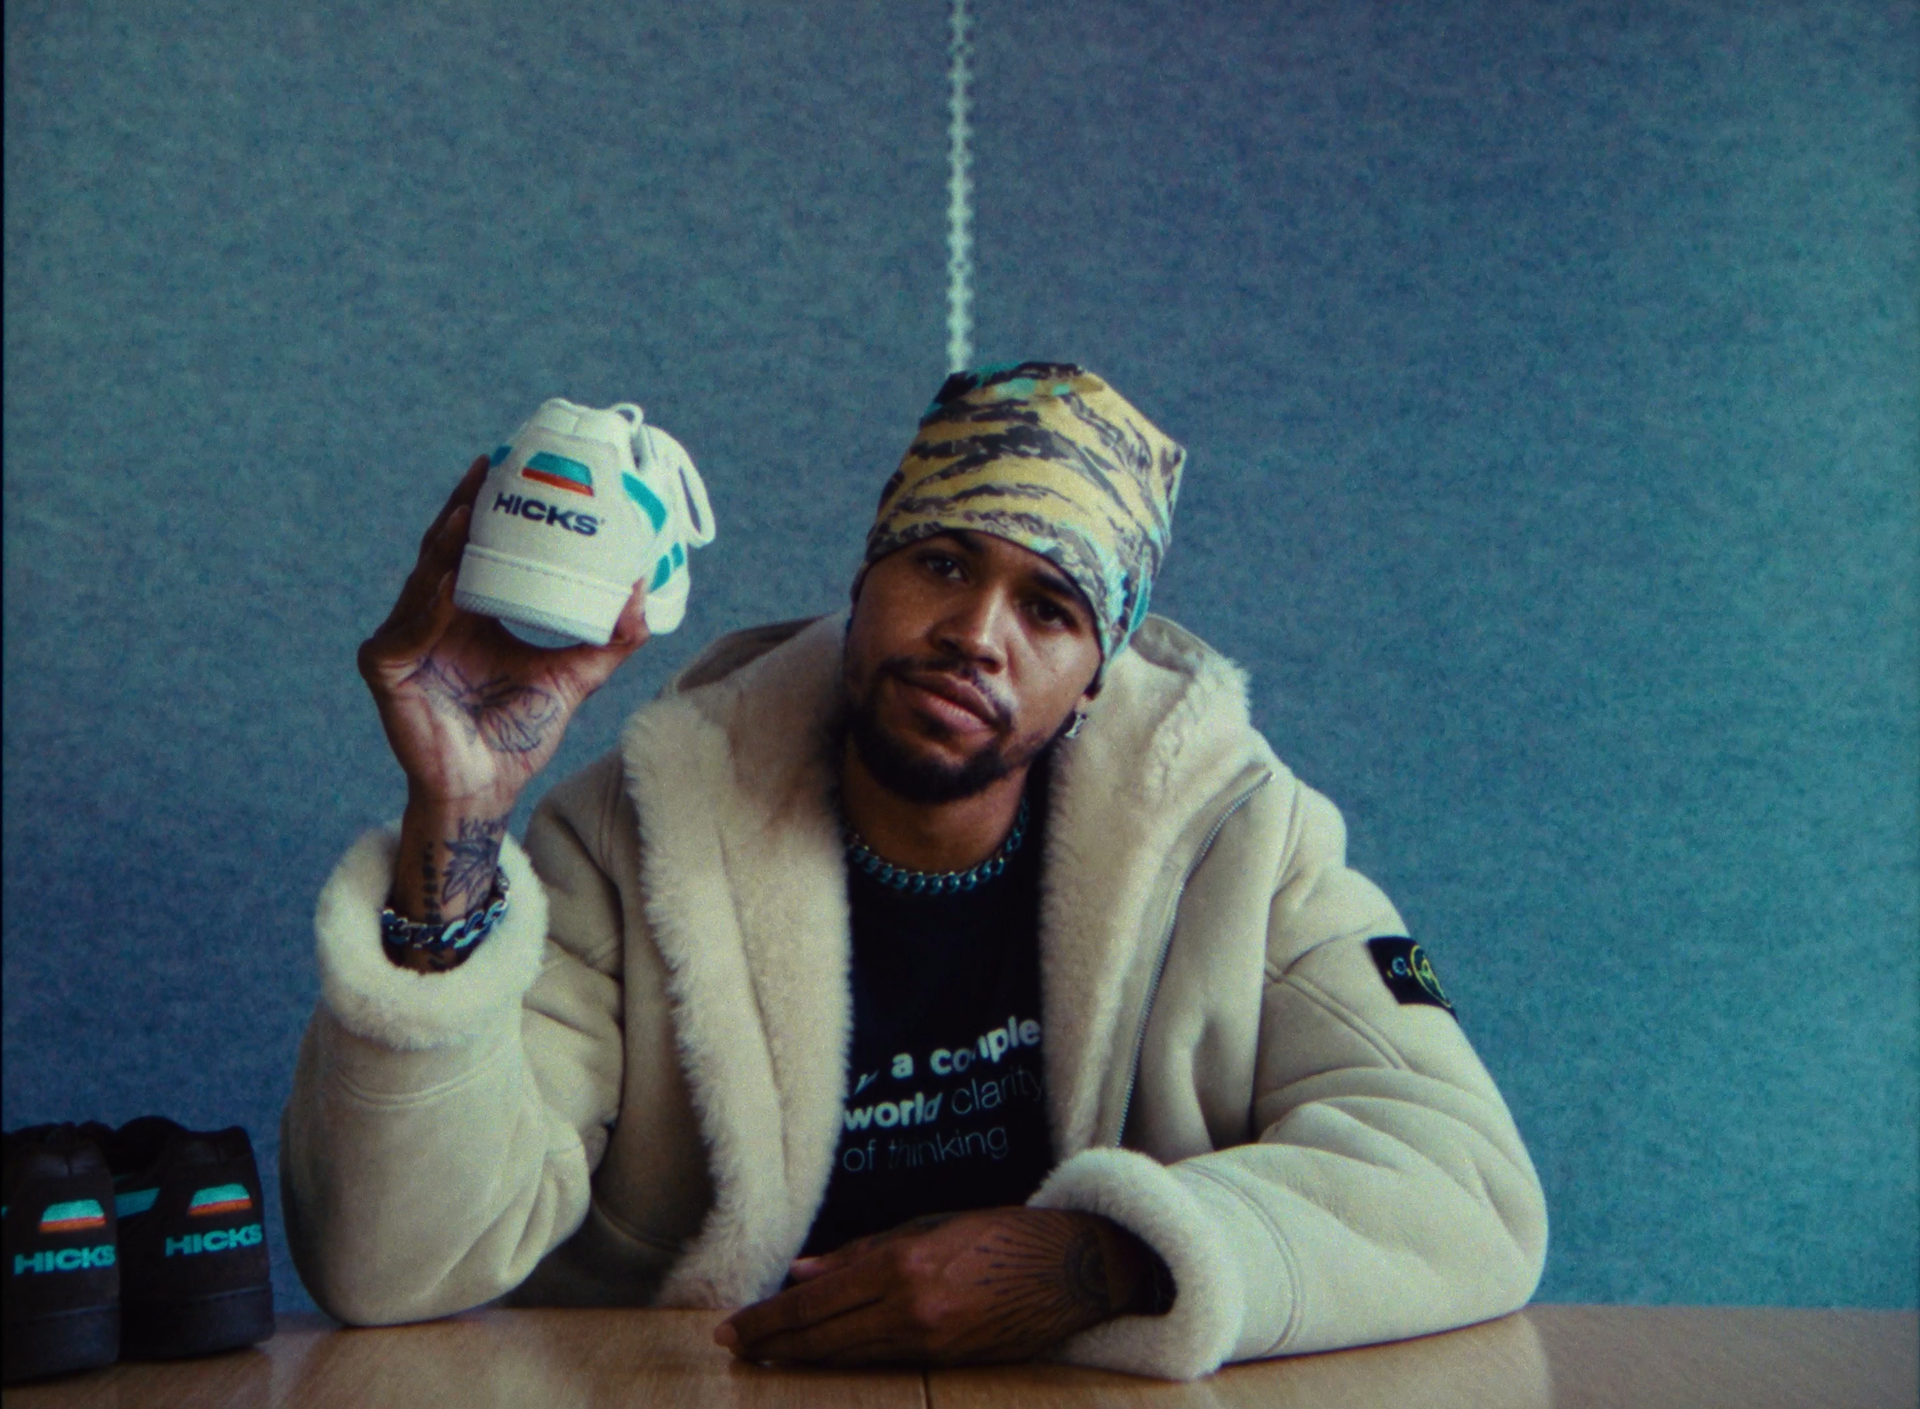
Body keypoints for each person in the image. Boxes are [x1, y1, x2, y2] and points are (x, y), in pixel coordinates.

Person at [283, 364, 1547, 1380]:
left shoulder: (1238, 840)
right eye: (943, 562)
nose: (974, 633)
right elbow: (393, 1264)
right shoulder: (635, 833)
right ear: (867, 573)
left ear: (1096, 676)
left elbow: (1465, 1184)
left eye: (1048, 608)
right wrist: (454, 815)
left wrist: (1090, 1260)